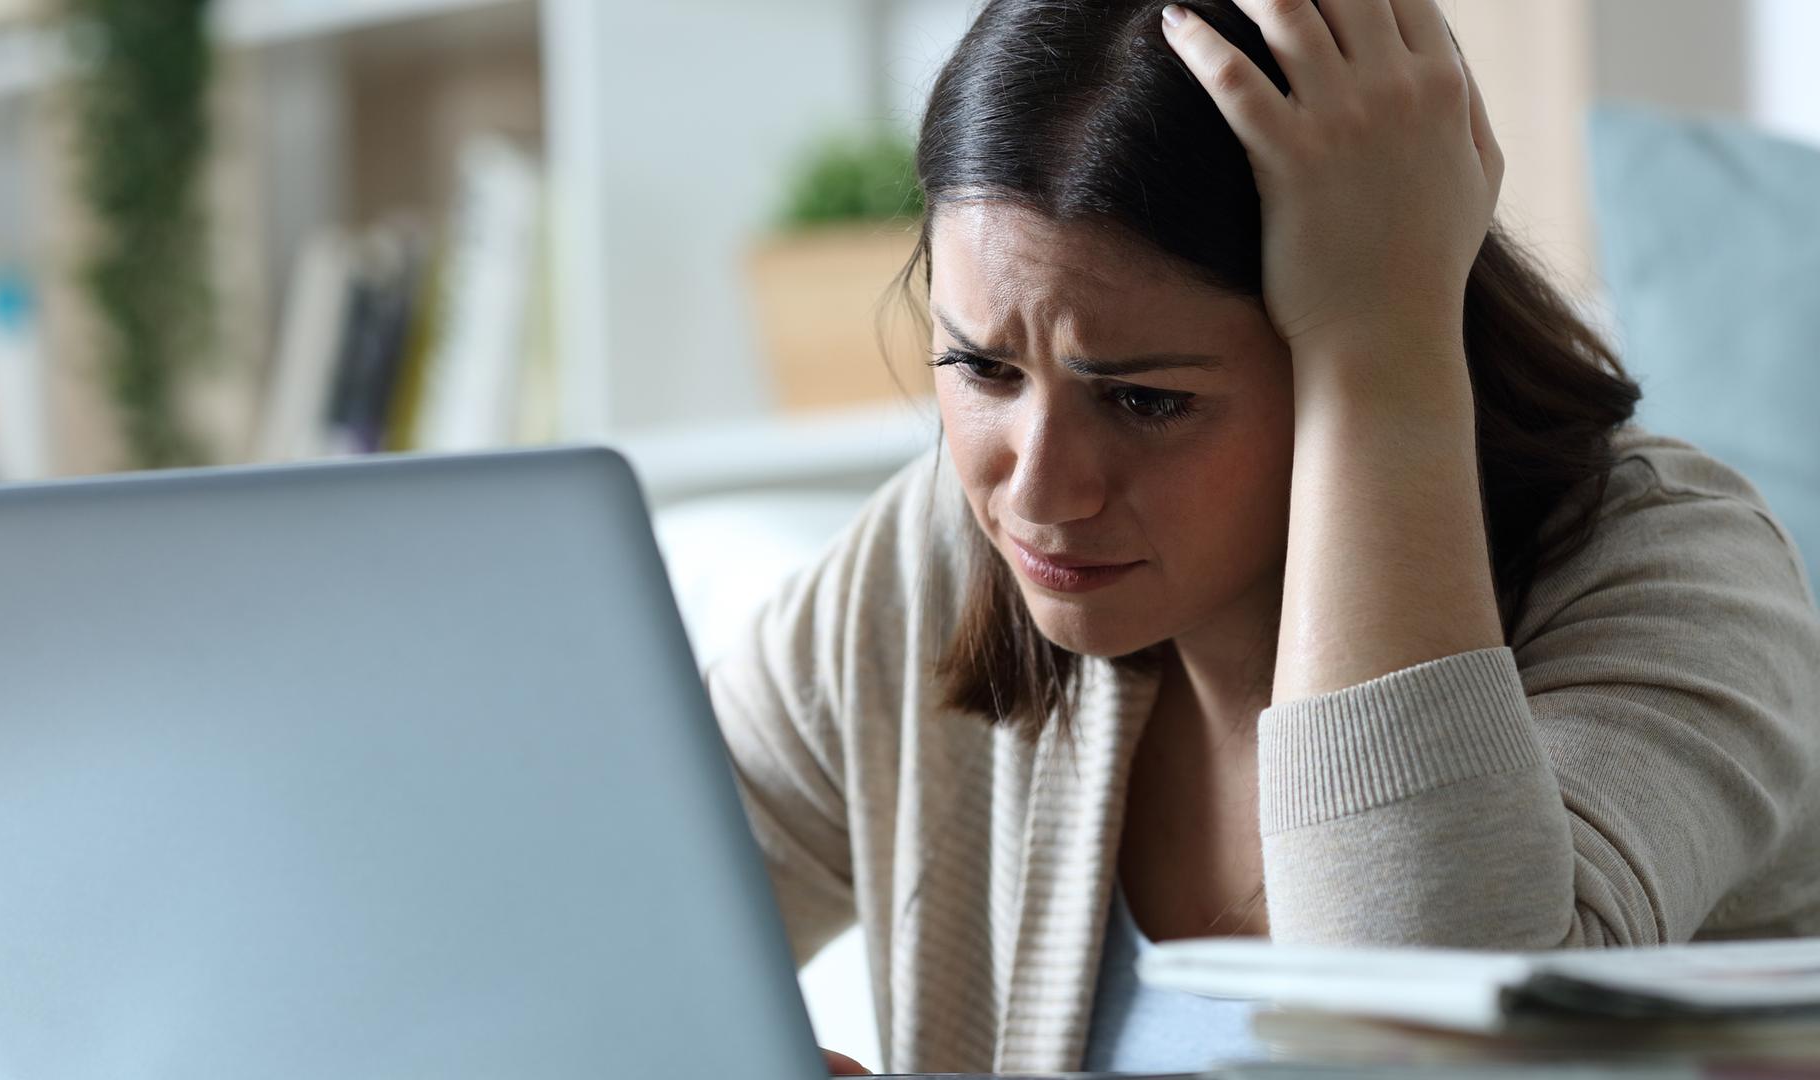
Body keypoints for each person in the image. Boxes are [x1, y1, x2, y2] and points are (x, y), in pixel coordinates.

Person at [704, 0, 1820, 1074]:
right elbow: (598, 914)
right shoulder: (933, 554)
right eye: (982, 370)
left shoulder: (1683, 579)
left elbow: (1428, 1054)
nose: (1038, 493)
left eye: (1143, 400)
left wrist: (1383, 346)